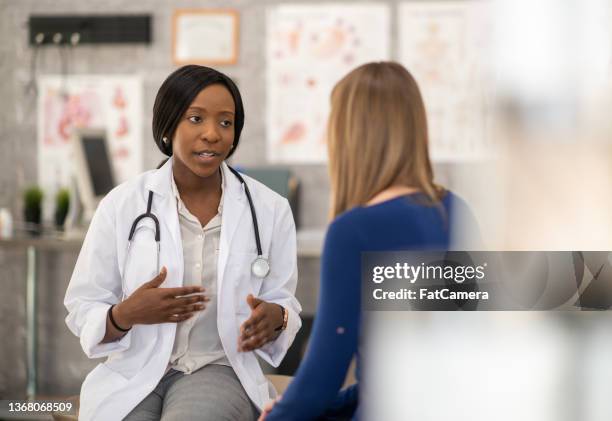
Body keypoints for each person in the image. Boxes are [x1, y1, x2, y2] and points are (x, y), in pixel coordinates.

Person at [64, 65, 302, 421]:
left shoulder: (270, 209)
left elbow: (285, 303)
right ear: (168, 125)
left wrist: (278, 317)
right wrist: (124, 314)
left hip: (218, 368)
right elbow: (84, 304)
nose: (212, 134)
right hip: (132, 371)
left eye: (225, 122)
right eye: (195, 119)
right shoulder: (122, 204)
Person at [260, 62, 479, 421]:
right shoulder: (457, 211)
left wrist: (281, 414)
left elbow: (321, 378)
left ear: (349, 137)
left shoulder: (354, 230)